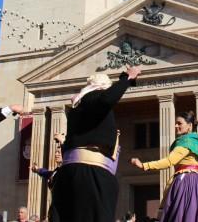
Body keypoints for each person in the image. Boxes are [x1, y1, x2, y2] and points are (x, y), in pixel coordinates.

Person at [52, 66, 141, 222]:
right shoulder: (92, 97)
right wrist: (126, 78)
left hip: (72, 171)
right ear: (102, 87)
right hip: (90, 172)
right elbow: (107, 99)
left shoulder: (80, 105)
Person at [130, 111, 198, 222]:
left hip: (187, 184)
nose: (175, 126)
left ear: (189, 126)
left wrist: (144, 165)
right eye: (175, 123)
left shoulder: (186, 142)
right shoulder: (196, 141)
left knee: (183, 215)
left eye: (179, 123)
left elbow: (169, 161)